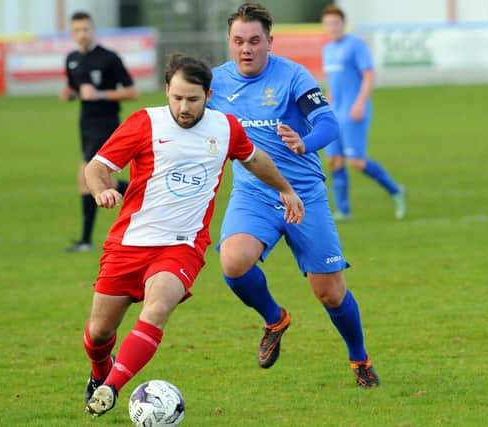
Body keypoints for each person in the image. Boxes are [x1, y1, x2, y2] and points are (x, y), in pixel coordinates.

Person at [82, 54, 304, 418]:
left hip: (181, 246)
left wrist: (286, 189)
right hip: (129, 244)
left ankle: (112, 388)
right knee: (99, 332)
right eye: (177, 98)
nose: (183, 108)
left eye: (193, 99)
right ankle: (99, 371)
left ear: (208, 95)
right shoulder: (145, 124)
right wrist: (102, 190)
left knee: (156, 310)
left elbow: (253, 158)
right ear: (167, 90)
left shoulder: (225, 128)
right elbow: (97, 167)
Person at [207, 3, 380, 388]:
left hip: (305, 196)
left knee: (330, 293)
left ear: (270, 41)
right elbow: (185, 113)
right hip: (254, 194)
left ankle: (359, 358)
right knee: (233, 262)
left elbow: (328, 122)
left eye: (254, 41)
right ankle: (274, 318)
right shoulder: (215, 83)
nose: (246, 49)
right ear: (229, 42)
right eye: (238, 41)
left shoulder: (292, 77)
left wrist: (305, 143)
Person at [59, 11, 138, 252]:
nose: (82, 34)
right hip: (85, 124)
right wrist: (70, 94)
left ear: (93, 30)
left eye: (85, 29)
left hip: (106, 123)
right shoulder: (72, 59)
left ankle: (85, 241)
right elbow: (75, 88)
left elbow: (132, 92)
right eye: (77, 30)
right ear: (72, 33)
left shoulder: (109, 58)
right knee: (104, 181)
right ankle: (141, 190)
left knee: (86, 176)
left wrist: (101, 94)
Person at [321, 4, 406, 221]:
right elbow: (335, 81)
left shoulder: (355, 45)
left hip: (353, 112)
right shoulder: (327, 49)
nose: (333, 27)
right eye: (329, 24)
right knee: (334, 161)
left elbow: (368, 75)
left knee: (356, 161)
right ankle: (343, 211)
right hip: (334, 112)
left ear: (343, 24)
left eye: (336, 23)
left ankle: (395, 190)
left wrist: (360, 102)